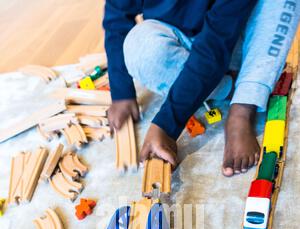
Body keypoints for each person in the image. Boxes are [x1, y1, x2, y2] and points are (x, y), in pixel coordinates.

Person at [103, 0, 299, 176]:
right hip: (180, 43)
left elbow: (215, 43)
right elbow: (117, 19)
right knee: (141, 46)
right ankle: (227, 89)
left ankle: (243, 104)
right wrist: (121, 93)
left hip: (235, 37)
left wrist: (166, 124)